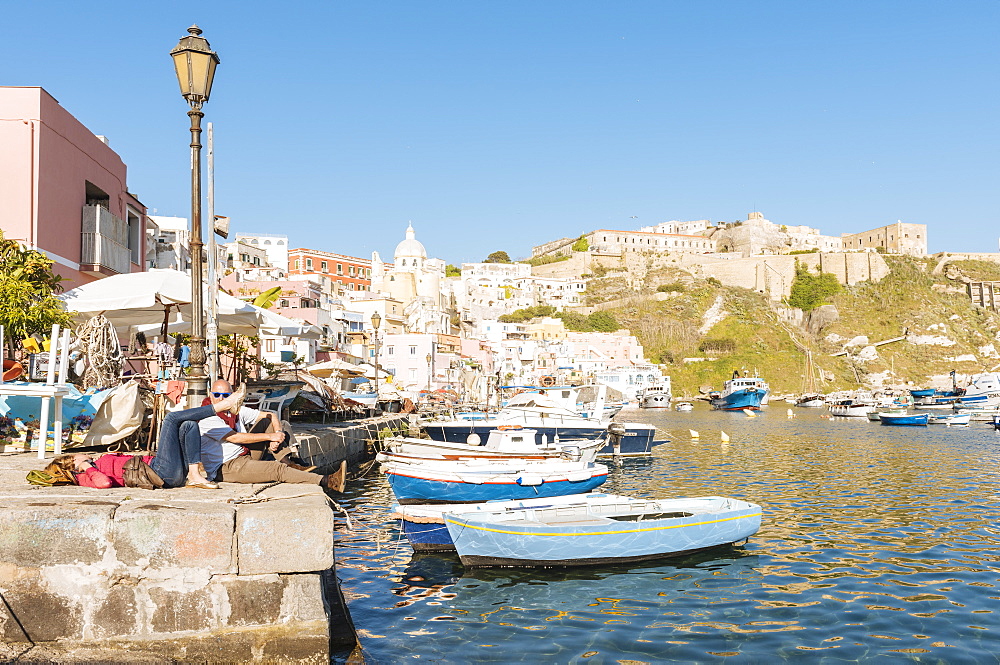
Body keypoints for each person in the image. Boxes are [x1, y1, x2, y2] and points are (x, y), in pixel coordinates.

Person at [44, 388, 246, 489]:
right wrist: (84, 465)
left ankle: (194, 474)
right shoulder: (84, 477)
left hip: (164, 468)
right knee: (171, 418)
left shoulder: (94, 465)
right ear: (71, 464)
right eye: (74, 457)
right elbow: (104, 484)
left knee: (188, 425)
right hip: (160, 473)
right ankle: (223, 405)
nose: (80, 455)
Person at [198, 379, 346, 492]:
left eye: (226, 395)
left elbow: (271, 415)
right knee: (276, 470)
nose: (221, 399)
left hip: (244, 454)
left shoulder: (234, 409)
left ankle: (288, 463)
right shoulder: (207, 417)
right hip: (226, 467)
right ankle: (329, 481)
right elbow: (235, 437)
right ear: (210, 395)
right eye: (217, 395)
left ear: (232, 396)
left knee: (266, 422)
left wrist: (278, 434)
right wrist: (269, 438)